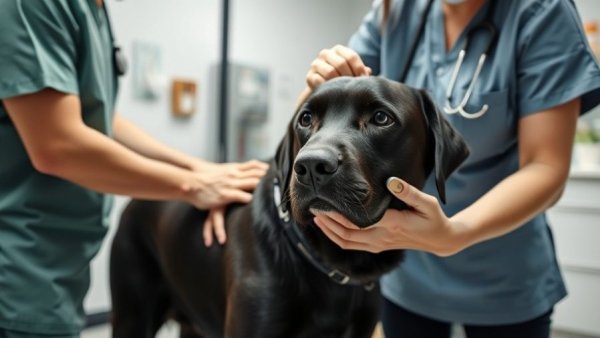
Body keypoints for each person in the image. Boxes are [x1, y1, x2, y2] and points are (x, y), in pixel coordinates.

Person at [299, 0, 600, 337]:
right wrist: (318, 81)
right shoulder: (395, 11)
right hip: (407, 270)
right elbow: (319, 118)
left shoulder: (541, 12)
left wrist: (455, 233)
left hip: (502, 277)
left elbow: (545, 166)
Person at [0, 0, 267, 336]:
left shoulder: (94, 9)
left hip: (57, 267)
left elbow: (95, 115)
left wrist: (196, 167)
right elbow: (58, 145)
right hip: (17, 266)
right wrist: (190, 185)